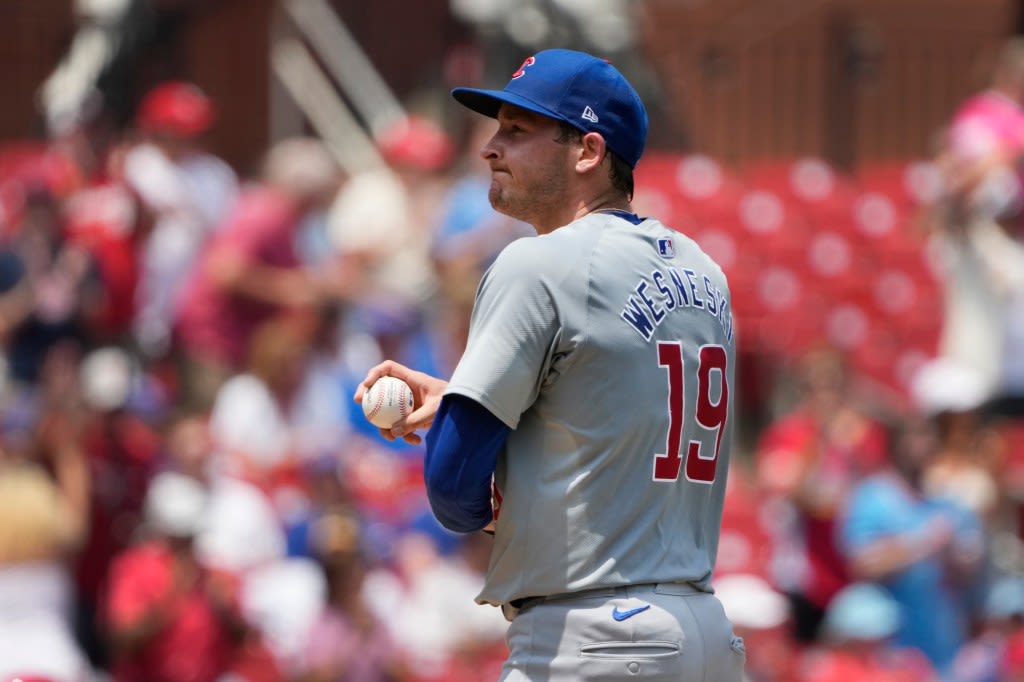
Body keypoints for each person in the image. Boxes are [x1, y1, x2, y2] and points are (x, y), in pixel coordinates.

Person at [354, 48, 744, 681]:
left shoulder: (535, 264)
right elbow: (606, 412)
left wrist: (466, 439)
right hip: (704, 635)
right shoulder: (704, 271)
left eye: (517, 130)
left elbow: (454, 490)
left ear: (587, 152)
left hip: (593, 640)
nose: (490, 147)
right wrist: (465, 397)